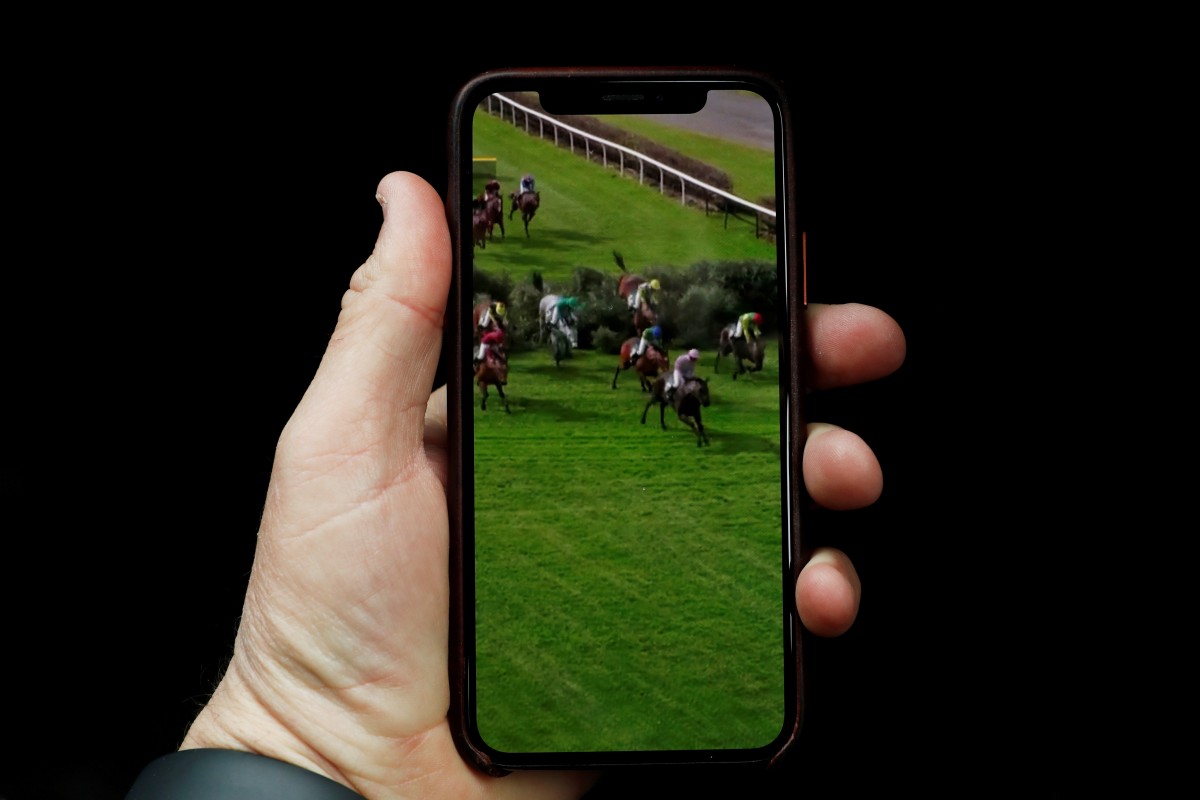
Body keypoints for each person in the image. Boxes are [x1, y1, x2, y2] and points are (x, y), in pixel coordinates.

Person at [125, 172, 906, 799]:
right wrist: (310, 734)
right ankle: (619, 388)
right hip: (318, 754)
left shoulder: (701, 340)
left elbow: (667, 328)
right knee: (587, 356)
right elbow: (621, 327)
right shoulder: (640, 333)